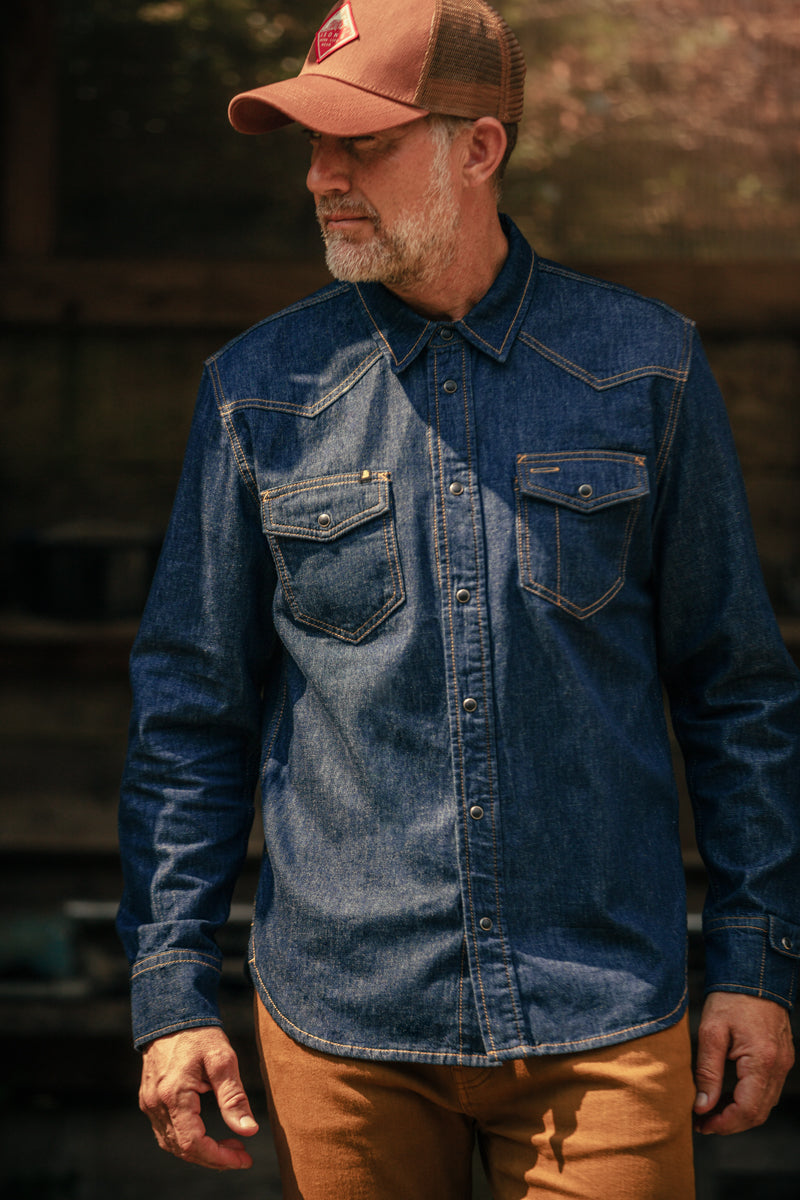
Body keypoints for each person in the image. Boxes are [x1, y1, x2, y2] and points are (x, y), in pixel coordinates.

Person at [117, 1, 799, 1196]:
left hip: (602, 1007)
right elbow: (190, 715)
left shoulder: (645, 367)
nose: (322, 178)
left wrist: (753, 963)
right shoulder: (258, 391)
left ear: (477, 148)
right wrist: (170, 991)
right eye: (313, 147)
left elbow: (735, 691)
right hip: (345, 1023)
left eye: (361, 144)